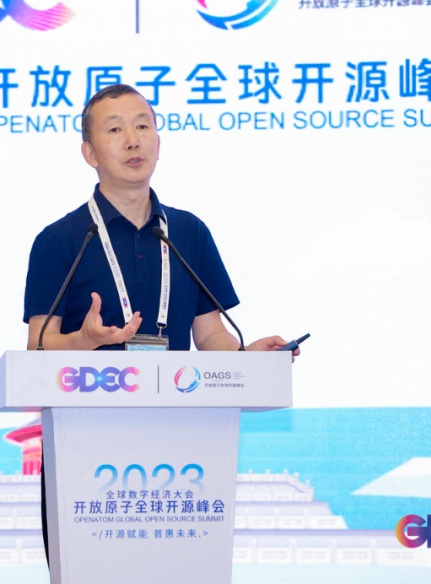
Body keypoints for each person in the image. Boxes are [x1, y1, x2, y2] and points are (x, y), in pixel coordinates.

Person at [22, 83, 299, 560]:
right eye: (115, 130)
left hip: (180, 444)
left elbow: (210, 334)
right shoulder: (61, 239)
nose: (133, 140)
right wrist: (84, 340)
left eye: (143, 126)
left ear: (158, 141)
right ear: (89, 153)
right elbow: (38, 344)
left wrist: (247, 357)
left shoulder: (188, 232)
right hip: (84, 448)